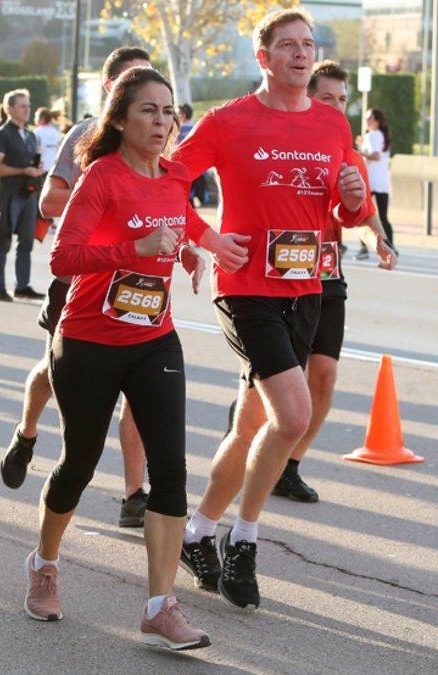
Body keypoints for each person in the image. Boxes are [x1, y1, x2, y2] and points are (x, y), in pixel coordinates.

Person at [27, 67, 248, 650]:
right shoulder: (101, 175)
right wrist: (136, 249)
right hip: (89, 339)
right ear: (120, 120)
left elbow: (180, 221)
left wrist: (194, 250)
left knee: (170, 469)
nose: (162, 121)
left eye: (168, 111)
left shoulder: (175, 176)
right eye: (148, 110)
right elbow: (63, 258)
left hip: (154, 339)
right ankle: (45, 561)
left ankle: (159, 605)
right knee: (78, 462)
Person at [172, 10, 370, 609]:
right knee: (292, 416)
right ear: (264, 58)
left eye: (309, 44)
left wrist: (356, 204)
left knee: (252, 424)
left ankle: (197, 531)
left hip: (306, 288)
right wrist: (204, 238)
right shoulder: (229, 120)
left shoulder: (333, 123)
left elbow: (347, 211)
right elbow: (163, 180)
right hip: (247, 288)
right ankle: (245, 539)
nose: (301, 53)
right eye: (287, 45)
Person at [1, 47, 155, 532]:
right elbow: (49, 201)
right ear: (111, 90)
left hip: (137, 285)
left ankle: (134, 494)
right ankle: (26, 434)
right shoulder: (84, 135)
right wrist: (104, 203)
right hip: (80, 280)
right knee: (54, 371)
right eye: (133, 82)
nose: (145, 95)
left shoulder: (158, 137)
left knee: (138, 391)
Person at [265, 61, 397, 501]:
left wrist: (378, 237)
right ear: (307, 96)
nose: (338, 108)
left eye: (343, 100)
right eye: (328, 99)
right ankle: (255, 440)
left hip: (325, 268)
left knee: (323, 376)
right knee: (271, 383)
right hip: (280, 272)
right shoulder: (285, 137)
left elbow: (359, 199)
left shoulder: (343, 145)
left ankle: (290, 465)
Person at [0, 89, 44, 302]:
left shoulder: (31, 135)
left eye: (28, 105)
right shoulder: (2, 134)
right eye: (22, 106)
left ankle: (22, 285)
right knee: (2, 242)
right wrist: (23, 171)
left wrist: (37, 170)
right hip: (9, 194)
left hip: (29, 194)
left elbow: (35, 163)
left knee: (26, 242)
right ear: (9, 109)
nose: (27, 109)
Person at [359, 108, 393, 251]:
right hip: (382, 182)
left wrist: (359, 151)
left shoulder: (373, 135)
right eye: (366, 118)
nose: (366, 121)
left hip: (370, 182)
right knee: (383, 217)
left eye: (369, 118)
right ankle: (391, 246)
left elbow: (376, 156)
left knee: (362, 215)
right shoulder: (379, 135)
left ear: (377, 121)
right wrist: (362, 145)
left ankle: (364, 248)